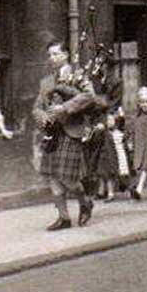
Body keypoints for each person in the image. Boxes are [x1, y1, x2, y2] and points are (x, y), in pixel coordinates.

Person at [33, 40, 97, 231]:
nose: (52, 58)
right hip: (52, 133)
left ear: (65, 55)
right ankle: (64, 217)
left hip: (71, 131)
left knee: (68, 177)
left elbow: (89, 96)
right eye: (50, 55)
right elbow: (37, 107)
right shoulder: (46, 82)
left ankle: (84, 201)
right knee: (52, 176)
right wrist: (43, 117)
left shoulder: (78, 76)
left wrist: (65, 108)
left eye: (55, 54)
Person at [95, 111, 131, 203]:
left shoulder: (119, 133)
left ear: (116, 121)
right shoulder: (105, 132)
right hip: (106, 157)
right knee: (103, 175)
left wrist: (122, 115)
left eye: (111, 120)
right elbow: (97, 139)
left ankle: (112, 193)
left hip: (116, 156)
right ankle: (101, 192)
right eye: (107, 120)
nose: (109, 122)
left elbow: (125, 142)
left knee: (112, 175)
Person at [129, 87, 147, 199]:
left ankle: (139, 188)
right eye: (143, 102)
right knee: (146, 169)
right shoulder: (137, 117)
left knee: (146, 167)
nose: (145, 104)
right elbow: (132, 131)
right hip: (140, 145)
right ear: (139, 103)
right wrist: (131, 141)